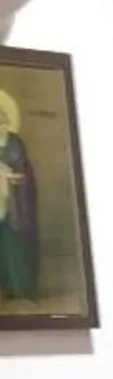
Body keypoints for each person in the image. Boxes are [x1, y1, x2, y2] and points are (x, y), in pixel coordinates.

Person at [0, 89, 39, 304]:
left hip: (15, 202)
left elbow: (24, 171)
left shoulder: (15, 142)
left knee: (16, 245)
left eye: (1, 118)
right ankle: (7, 288)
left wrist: (11, 175)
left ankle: (23, 289)